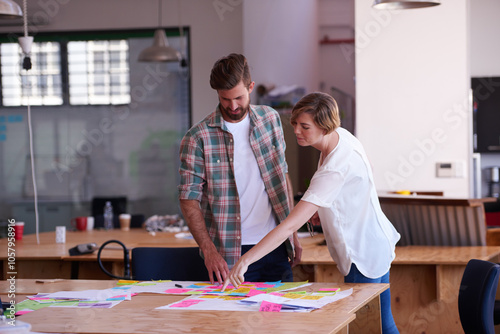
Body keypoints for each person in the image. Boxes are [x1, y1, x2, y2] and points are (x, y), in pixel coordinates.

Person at [222, 92, 401, 334]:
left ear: (325, 126)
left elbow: (288, 226)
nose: (296, 130)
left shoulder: (334, 167)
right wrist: (326, 208)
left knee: (368, 328)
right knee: (383, 324)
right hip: (375, 243)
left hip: (362, 254)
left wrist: (245, 260)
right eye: (295, 123)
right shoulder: (342, 138)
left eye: (305, 126)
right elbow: (359, 181)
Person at [178, 53, 302, 285]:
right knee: (233, 321)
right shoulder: (198, 138)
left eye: (238, 97)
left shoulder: (271, 120)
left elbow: (281, 175)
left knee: (283, 319)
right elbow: (188, 198)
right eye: (225, 99)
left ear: (251, 87)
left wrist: (292, 233)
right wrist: (209, 251)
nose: (233, 106)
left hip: (275, 247)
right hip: (228, 256)